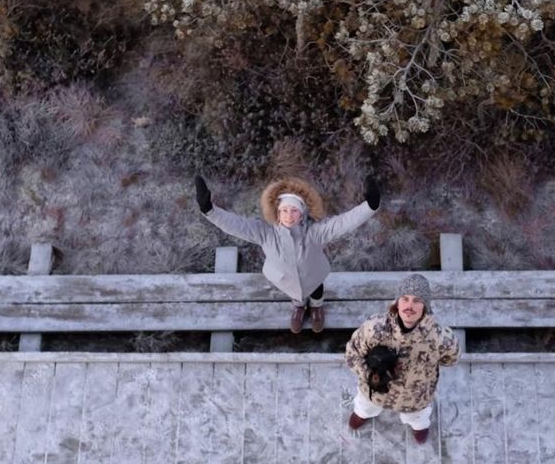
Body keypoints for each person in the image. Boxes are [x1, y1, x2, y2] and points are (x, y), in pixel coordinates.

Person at [195, 174, 380, 333]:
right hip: (285, 278)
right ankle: (299, 306)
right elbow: (238, 225)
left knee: (316, 289)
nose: (288, 215)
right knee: (293, 290)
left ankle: (316, 307)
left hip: (312, 275)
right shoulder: (266, 233)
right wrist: (210, 210)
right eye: (284, 210)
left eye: (294, 211)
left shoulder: (315, 232)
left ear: (302, 214)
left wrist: (369, 206)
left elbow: (342, 223)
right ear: (277, 212)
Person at [345, 273, 460, 444]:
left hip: (415, 398)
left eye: (417, 300)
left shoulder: (440, 337)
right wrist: (369, 374)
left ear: (425, 306)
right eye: (405, 298)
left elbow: (451, 358)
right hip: (375, 391)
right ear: (397, 302)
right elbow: (352, 353)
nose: (409, 305)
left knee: (418, 417)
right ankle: (363, 414)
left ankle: (419, 426)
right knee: (365, 405)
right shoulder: (374, 328)